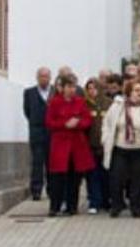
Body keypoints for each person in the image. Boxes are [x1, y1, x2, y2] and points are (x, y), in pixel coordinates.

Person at [102, 80, 140, 218]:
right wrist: (105, 140)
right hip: (120, 149)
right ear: (128, 92)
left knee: (138, 180)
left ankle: (136, 207)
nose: (139, 93)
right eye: (136, 90)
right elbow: (107, 124)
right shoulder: (117, 106)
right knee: (116, 179)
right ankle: (117, 205)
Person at [44, 74, 94, 217]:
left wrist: (77, 123)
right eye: (69, 87)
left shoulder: (80, 102)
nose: (72, 90)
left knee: (75, 178)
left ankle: (72, 206)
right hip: (60, 145)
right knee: (57, 178)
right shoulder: (55, 102)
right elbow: (49, 122)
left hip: (77, 146)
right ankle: (55, 206)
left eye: (74, 87)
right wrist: (64, 124)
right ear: (62, 88)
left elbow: (87, 120)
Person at [23, 66, 53, 200]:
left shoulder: (54, 92)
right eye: (41, 76)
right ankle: (36, 190)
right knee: (37, 163)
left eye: (46, 76)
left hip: (52, 132)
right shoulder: (29, 92)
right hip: (37, 132)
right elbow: (27, 111)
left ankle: (52, 189)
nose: (44, 79)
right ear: (37, 78)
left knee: (51, 163)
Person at [85, 77, 112, 214]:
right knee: (92, 175)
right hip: (90, 145)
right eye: (89, 88)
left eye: (94, 88)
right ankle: (94, 201)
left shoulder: (108, 103)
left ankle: (106, 201)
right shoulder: (85, 104)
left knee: (106, 174)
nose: (92, 91)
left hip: (105, 145)